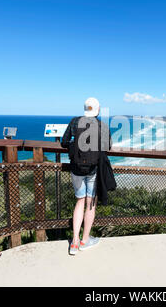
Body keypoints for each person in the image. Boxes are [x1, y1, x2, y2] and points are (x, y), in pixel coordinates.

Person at [61, 97, 112, 255]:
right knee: (90, 203)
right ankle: (85, 240)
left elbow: (64, 142)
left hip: (76, 168)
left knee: (79, 202)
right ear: (98, 110)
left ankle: (74, 242)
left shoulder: (75, 122)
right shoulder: (101, 125)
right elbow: (108, 146)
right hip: (93, 169)